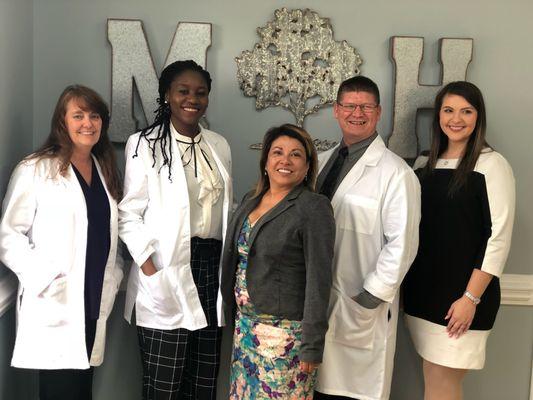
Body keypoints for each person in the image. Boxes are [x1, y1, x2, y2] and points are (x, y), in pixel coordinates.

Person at [0, 85, 123, 400]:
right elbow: (8, 235)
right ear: (62, 121)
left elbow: (109, 232)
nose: (88, 123)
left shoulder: (104, 169)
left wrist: (116, 273)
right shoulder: (35, 169)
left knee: (82, 391)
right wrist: (45, 278)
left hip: (94, 299)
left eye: (94, 116)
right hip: (56, 299)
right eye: (78, 115)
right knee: (60, 392)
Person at [118, 60, 232, 400]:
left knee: (203, 378)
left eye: (200, 93)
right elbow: (128, 215)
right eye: (183, 91)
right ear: (167, 95)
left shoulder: (219, 146)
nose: (192, 99)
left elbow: (227, 206)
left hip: (211, 268)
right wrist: (152, 271)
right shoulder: (143, 145)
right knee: (164, 384)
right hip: (165, 267)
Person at [402, 81, 515, 400]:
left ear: (479, 117)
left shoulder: (492, 165)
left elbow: (498, 238)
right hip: (422, 295)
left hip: (462, 301)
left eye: (466, 111)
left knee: (442, 384)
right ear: (438, 116)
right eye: (449, 110)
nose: (457, 119)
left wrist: (470, 299)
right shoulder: (424, 164)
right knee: (432, 379)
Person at [314, 76, 421, 400]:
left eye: (365, 106)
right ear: (336, 110)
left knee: (350, 394)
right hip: (316, 304)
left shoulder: (396, 173)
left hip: (359, 306)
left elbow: (402, 244)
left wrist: (369, 298)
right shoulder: (320, 161)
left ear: (378, 112)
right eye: (349, 105)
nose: (356, 113)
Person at [220, 123, 335, 399]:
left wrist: (311, 345)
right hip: (246, 330)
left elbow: (319, 281)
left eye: (296, 155)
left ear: (307, 167)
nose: (285, 160)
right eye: (278, 152)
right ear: (266, 162)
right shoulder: (251, 199)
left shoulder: (313, 207)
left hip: (284, 337)